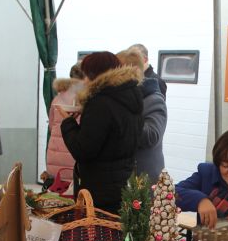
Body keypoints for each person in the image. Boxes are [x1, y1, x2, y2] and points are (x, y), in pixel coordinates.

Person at [61, 52, 143, 214]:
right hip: (123, 184)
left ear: (95, 75)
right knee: (117, 227)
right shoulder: (130, 96)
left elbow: (82, 150)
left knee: (97, 230)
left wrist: (68, 123)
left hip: (99, 191)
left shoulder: (100, 102)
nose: (84, 80)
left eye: (86, 75)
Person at [118, 49, 167, 182]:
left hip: (144, 179)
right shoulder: (123, 98)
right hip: (124, 175)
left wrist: (121, 116)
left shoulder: (154, 99)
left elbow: (151, 136)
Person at [45, 63, 84, 190]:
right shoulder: (85, 99)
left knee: (58, 192)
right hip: (74, 155)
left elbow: (51, 126)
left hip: (55, 154)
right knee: (75, 193)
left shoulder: (57, 98)